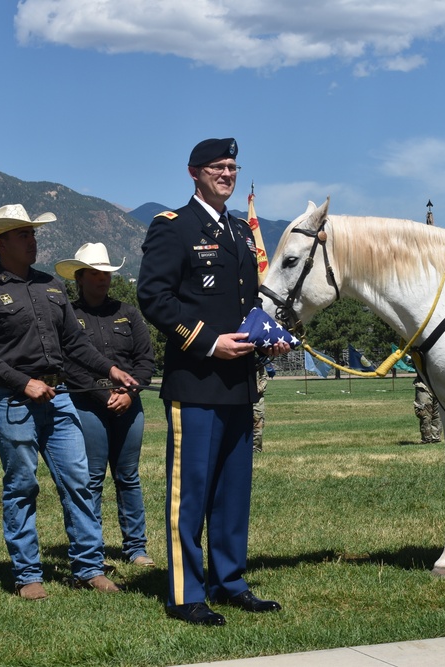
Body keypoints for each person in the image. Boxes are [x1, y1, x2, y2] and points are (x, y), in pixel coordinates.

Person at [137, 138, 291, 626]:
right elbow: (154, 299)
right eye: (217, 167)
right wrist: (208, 342)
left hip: (239, 382)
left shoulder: (243, 232)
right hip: (197, 381)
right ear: (194, 173)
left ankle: (230, 581)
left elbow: (245, 303)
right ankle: (186, 595)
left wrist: (267, 337)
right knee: (192, 492)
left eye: (232, 166)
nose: (227, 173)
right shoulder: (173, 228)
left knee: (232, 491)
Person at [0, 204, 136, 601]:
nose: (32, 240)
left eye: (33, 234)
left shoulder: (52, 287)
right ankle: (27, 574)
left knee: (78, 482)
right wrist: (24, 383)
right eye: (24, 235)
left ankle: (88, 567)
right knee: (22, 485)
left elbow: (74, 344)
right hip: (13, 403)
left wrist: (110, 370)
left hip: (59, 400)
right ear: (1, 242)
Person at [55, 242, 157, 567]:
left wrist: (129, 393)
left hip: (130, 404)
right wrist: (105, 395)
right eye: (95, 274)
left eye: (106, 274)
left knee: (128, 477)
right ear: (80, 278)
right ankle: (92, 549)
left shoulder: (128, 314)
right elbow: (68, 363)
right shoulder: (68, 315)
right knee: (92, 478)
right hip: (87, 405)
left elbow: (146, 360)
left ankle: (136, 548)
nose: (102, 280)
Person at [413, 373, 443, 443]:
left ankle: (435, 438)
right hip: (423, 385)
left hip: (438, 384)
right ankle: (426, 439)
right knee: (424, 413)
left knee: (438, 413)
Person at [252, 363, 272, 452]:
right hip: (243, 398)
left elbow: (262, 384)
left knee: (257, 426)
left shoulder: (260, 364)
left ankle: (256, 449)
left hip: (257, 400)